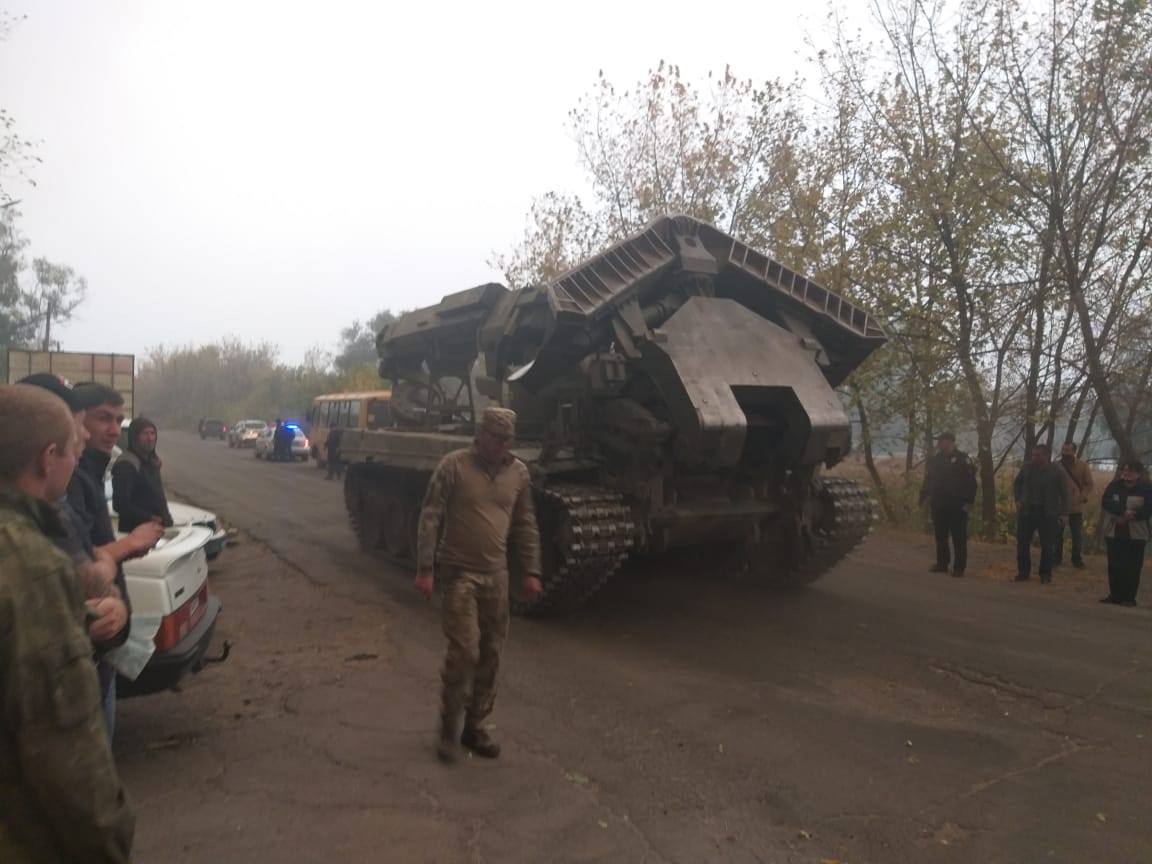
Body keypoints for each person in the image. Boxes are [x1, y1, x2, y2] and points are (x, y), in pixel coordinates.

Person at [0, 384, 135, 863]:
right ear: (47, 458)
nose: (77, 460)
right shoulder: (31, 563)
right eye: (71, 450)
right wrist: (110, 843)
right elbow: (64, 747)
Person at [415, 406, 543, 763]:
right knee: (465, 652)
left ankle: (475, 727)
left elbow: (526, 524)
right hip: (459, 574)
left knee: (490, 655)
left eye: (507, 440)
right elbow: (430, 515)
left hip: (497, 578)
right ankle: (448, 729)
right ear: (481, 434)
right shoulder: (453, 466)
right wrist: (425, 567)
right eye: (496, 437)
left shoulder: (518, 473)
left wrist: (532, 571)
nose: (502, 445)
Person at [919, 432, 977, 577]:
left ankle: (959, 567)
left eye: (945, 441)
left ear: (952, 442)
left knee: (959, 537)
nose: (942, 444)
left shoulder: (963, 459)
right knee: (940, 536)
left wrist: (969, 501)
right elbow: (929, 479)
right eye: (940, 441)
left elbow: (971, 482)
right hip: (939, 504)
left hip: (957, 505)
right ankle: (942, 563)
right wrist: (923, 496)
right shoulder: (935, 460)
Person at [1099, 459, 1152, 607]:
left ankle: (1129, 598)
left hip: (1137, 535)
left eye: (1131, 471)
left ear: (1138, 474)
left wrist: (1133, 515)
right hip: (1114, 532)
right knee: (1114, 565)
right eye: (1125, 470)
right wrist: (1123, 512)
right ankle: (1114, 595)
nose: (1127, 473)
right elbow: (1106, 502)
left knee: (1133, 567)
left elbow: (1149, 508)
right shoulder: (1114, 486)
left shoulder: (1146, 489)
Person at [1013, 443, 1068, 583]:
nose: (1034, 458)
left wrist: (1064, 513)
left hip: (1048, 513)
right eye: (1033, 455)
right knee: (1022, 542)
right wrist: (1018, 499)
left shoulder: (1057, 471)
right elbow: (1017, 484)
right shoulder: (1027, 468)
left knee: (1048, 545)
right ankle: (1023, 572)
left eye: (1037, 455)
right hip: (1027, 511)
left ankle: (1045, 574)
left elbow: (1065, 494)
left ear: (1046, 456)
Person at [111, 416, 174, 533]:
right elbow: (120, 504)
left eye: (152, 433)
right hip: (135, 533)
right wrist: (151, 518)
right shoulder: (127, 464)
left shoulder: (150, 462)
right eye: (145, 434)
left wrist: (165, 518)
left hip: (155, 531)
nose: (150, 438)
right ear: (135, 437)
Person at [1054, 442, 1093, 569]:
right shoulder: (1056, 465)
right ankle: (1056, 558)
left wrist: (1082, 496)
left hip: (1076, 507)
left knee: (1077, 535)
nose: (1065, 453)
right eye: (1063, 450)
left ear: (1074, 452)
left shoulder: (1083, 466)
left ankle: (1076, 559)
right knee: (1057, 534)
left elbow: (1089, 484)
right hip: (1059, 507)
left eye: (1068, 450)